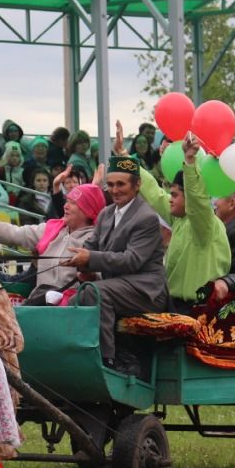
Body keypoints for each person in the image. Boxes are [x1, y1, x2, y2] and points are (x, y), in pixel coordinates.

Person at [61, 155, 169, 375]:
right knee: (75, 298)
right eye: (110, 185)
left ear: (137, 185)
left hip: (147, 290)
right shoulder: (106, 214)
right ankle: (78, 358)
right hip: (118, 285)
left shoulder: (146, 217)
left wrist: (90, 259)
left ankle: (107, 361)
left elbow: (132, 260)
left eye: (121, 184)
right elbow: (91, 246)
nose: (115, 190)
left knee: (95, 293)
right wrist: (77, 262)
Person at [132, 130, 231, 312]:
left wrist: (190, 161)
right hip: (174, 305)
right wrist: (126, 160)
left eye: (175, 195)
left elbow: (197, 201)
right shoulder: (178, 218)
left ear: (190, 199)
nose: (170, 199)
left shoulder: (204, 224)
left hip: (198, 311)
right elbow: (154, 193)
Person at [0, 182, 104, 304]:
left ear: (88, 210)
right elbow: (13, 233)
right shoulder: (51, 229)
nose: (66, 206)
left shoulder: (96, 239)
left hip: (72, 310)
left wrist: (90, 275)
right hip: (39, 303)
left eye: (73, 203)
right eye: (67, 201)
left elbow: (102, 278)